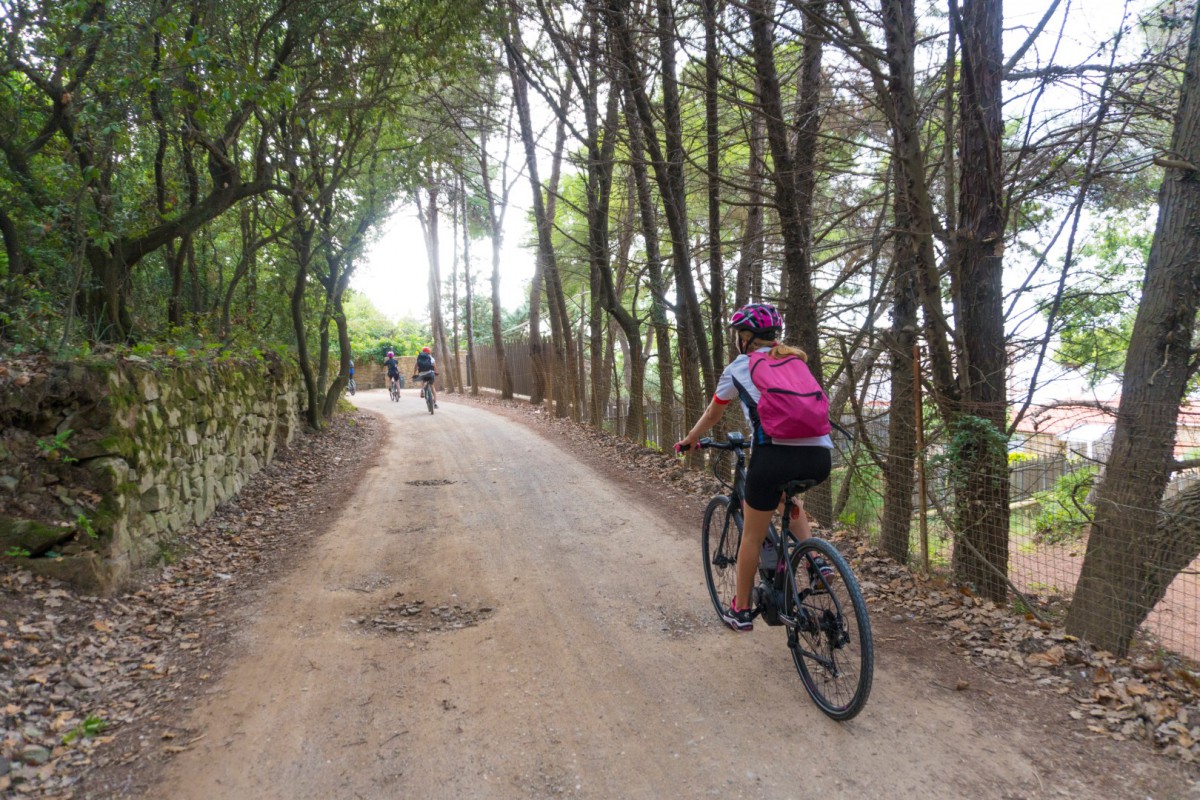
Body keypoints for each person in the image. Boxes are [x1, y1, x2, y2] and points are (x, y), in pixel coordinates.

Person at [674, 303, 833, 632]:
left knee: (751, 535)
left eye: (738, 335)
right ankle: (817, 562)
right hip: (820, 457)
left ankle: (741, 610)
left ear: (745, 338)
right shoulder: (795, 359)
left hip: (772, 456)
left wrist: (690, 440)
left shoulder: (739, 366)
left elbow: (713, 414)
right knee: (790, 498)